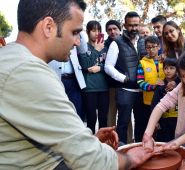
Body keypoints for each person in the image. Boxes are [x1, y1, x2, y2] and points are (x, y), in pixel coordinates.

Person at [0, 0, 153, 169]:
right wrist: (131, 158)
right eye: (75, 33)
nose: (78, 42)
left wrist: (89, 141)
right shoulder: (26, 72)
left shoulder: (12, 58)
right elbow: (93, 161)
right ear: (48, 27)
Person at [105, 11, 146, 144]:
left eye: (136, 25)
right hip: (125, 91)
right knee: (123, 123)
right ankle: (122, 151)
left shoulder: (144, 42)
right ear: (124, 25)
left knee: (141, 123)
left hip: (142, 91)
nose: (134, 28)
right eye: (130, 25)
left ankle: (141, 150)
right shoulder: (116, 43)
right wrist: (124, 78)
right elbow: (108, 67)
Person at [78, 20, 109, 134]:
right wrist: (96, 50)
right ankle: (91, 146)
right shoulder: (83, 47)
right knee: (91, 119)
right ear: (87, 32)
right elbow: (85, 65)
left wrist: (100, 68)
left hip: (104, 88)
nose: (96, 33)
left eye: (99, 30)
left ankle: (103, 144)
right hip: (89, 88)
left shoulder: (105, 47)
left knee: (103, 119)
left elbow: (110, 65)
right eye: (93, 30)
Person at [48, 32, 87, 121]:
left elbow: (84, 50)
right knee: (58, 111)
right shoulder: (51, 32)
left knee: (76, 111)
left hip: (74, 80)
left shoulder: (74, 34)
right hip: (56, 79)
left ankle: (77, 133)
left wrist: (78, 31)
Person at [136, 36, 165, 137]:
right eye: (148, 47)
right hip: (148, 101)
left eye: (153, 47)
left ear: (159, 47)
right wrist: (152, 86)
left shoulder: (164, 61)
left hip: (164, 100)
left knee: (163, 127)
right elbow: (140, 81)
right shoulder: (142, 63)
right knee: (150, 126)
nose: (151, 50)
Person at [150, 57, 180, 142]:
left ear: (177, 70)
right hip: (164, 121)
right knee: (163, 144)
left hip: (178, 121)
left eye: (171, 68)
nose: (168, 71)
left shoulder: (181, 85)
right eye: (166, 68)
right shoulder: (160, 87)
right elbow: (154, 104)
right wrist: (156, 121)